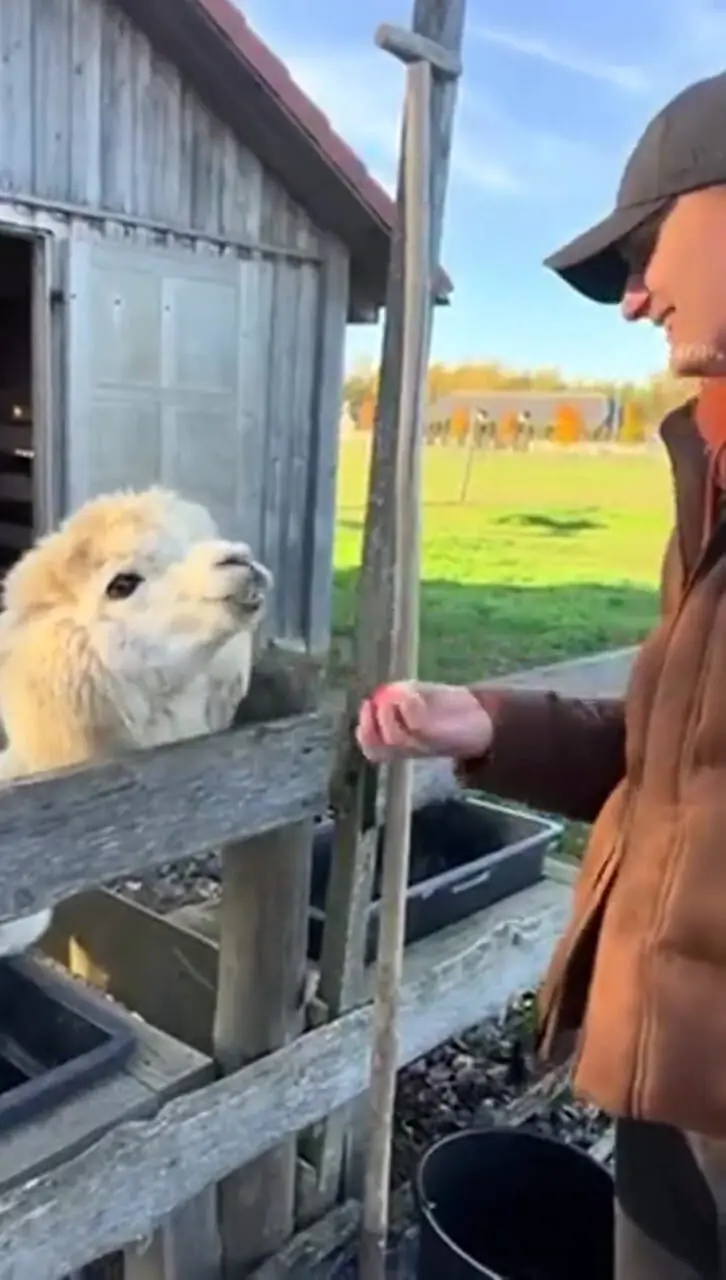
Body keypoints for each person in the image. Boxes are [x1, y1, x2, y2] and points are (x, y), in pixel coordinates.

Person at [356, 69, 726, 1280]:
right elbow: (678, 756)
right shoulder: (712, 473)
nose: (631, 300)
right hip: (676, 1072)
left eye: (644, 246)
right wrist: (487, 724)